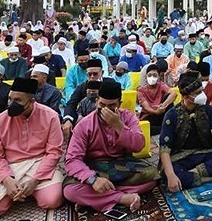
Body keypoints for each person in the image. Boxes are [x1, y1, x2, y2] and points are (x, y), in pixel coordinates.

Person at [0, 77, 64, 221]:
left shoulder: (50, 116)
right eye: (10, 99)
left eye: (18, 100)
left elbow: (54, 152)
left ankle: (26, 192)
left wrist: (35, 180)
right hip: (10, 166)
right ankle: (18, 193)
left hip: (38, 163)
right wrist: (7, 180)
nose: (11, 104)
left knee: (52, 200)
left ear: (32, 102)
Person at [63, 79, 160, 213]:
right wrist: (93, 180)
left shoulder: (128, 117)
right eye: (102, 104)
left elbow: (139, 146)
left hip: (122, 165)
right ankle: (121, 198)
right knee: (70, 191)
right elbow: (72, 160)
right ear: (96, 101)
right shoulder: (84, 124)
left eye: (111, 105)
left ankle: (94, 198)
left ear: (119, 104)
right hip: (94, 167)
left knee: (153, 178)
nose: (105, 109)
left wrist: (118, 125)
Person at [158, 71, 212, 192]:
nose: (202, 95)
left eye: (202, 91)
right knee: (167, 173)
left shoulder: (207, 110)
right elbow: (164, 149)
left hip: (203, 154)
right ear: (185, 96)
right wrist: (170, 175)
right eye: (198, 93)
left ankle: (193, 175)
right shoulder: (172, 115)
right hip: (180, 158)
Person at [62, 59, 107, 139]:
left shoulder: (110, 84)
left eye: (95, 74)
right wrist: (68, 120)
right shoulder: (82, 87)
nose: (92, 77)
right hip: (84, 121)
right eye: (90, 74)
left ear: (102, 73)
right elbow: (71, 103)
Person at [137, 64, 177, 135]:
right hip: (149, 115)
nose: (152, 77)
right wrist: (156, 112)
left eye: (155, 75)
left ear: (158, 77)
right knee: (145, 129)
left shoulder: (161, 85)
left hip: (161, 112)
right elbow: (146, 107)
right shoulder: (141, 90)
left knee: (168, 96)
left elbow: (174, 93)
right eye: (149, 75)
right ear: (146, 77)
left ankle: (166, 127)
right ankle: (166, 127)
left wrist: (163, 106)